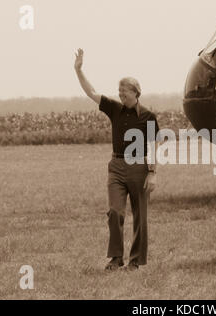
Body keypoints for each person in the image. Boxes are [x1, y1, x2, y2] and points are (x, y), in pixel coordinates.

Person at [74, 48, 160, 271]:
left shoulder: (148, 116)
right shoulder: (114, 108)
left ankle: (135, 261)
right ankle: (115, 258)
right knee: (115, 212)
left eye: (124, 91)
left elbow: (153, 145)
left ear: (136, 92)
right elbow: (91, 92)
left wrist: (152, 173)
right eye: (119, 91)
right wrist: (78, 70)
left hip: (139, 166)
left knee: (140, 216)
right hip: (116, 166)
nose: (120, 94)